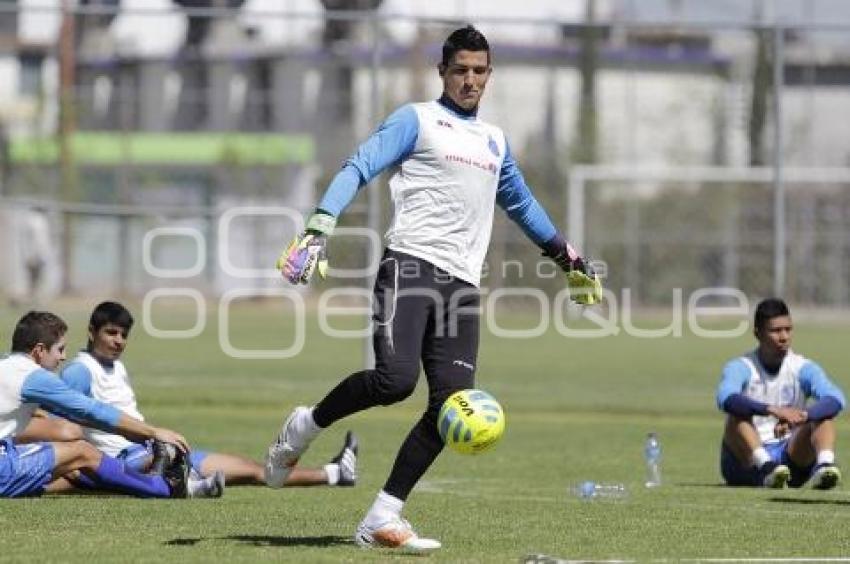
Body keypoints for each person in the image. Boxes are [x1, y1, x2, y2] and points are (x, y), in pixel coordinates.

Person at [266, 25, 601, 552]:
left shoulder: (494, 141)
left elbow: (521, 203)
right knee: (395, 382)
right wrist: (318, 227)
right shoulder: (416, 120)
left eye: (480, 70)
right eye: (461, 69)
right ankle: (305, 425)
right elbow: (358, 166)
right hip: (409, 268)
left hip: (462, 287)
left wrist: (567, 255)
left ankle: (381, 517)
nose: (471, 79)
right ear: (443, 71)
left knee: (452, 407)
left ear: (490, 74)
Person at [59, 301, 358, 488]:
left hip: (155, 450)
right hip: (128, 459)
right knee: (236, 473)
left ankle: (334, 474)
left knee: (255, 470)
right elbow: (62, 425)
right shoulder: (80, 370)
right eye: (111, 333)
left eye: (124, 335)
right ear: (91, 331)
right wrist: (77, 469)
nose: (118, 341)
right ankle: (183, 482)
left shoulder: (115, 366)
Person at [0, 310, 219, 498]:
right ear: (39, 351)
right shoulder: (33, 376)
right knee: (82, 451)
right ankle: (169, 489)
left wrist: (135, 433)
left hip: (7, 453)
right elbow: (91, 410)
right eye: (60, 349)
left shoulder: (6, 364)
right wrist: (152, 432)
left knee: (69, 461)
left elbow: (77, 415)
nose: (64, 357)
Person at [716, 298, 845, 489]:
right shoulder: (741, 366)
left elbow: (837, 399)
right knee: (735, 417)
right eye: (775, 331)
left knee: (823, 415)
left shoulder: (802, 367)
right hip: (747, 460)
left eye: (788, 329)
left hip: (789, 455)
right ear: (757, 334)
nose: (784, 337)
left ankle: (824, 467)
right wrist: (773, 410)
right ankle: (767, 469)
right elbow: (725, 398)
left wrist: (803, 416)